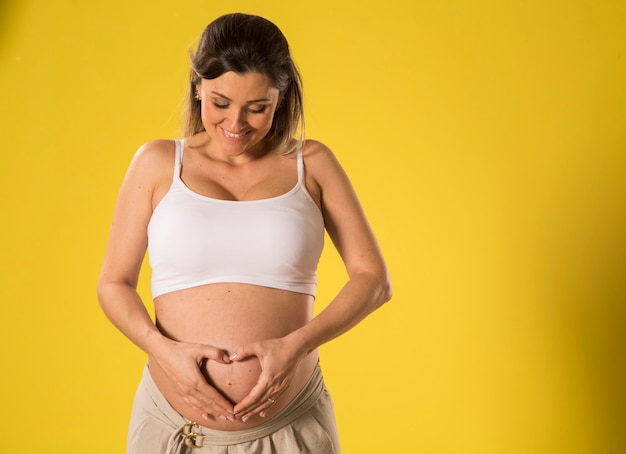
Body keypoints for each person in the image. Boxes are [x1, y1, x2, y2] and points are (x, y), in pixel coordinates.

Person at [97, 12, 392, 454]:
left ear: (281, 95)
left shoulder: (311, 164)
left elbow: (374, 281)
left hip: (291, 428)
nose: (236, 124)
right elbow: (114, 284)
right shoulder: (157, 163)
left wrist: (295, 346)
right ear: (197, 85)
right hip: (173, 428)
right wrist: (163, 351)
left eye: (257, 108)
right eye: (220, 102)